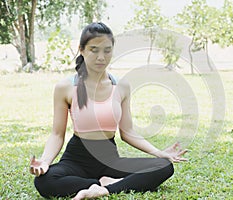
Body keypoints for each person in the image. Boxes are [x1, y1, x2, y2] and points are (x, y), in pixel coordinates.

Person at [30, 22, 188, 200]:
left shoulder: (121, 86)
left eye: (107, 50)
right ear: (81, 50)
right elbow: (57, 134)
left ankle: (104, 188)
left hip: (110, 160)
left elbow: (127, 132)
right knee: (44, 181)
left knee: (164, 166)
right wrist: (45, 162)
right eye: (94, 50)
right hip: (76, 159)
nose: (101, 57)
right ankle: (105, 182)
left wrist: (159, 153)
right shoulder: (66, 87)